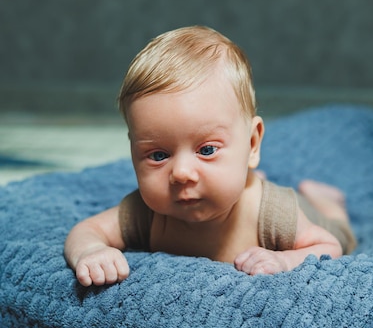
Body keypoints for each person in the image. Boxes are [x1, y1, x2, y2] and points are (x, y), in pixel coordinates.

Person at [64, 26, 356, 287]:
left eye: (206, 150)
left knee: (343, 234)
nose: (181, 173)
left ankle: (329, 203)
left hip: (314, 219)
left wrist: (284, 261)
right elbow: (87, 230)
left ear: (252, 144)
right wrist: (91, 251)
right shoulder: (146, 212)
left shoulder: (272, 214)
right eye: (158, 155)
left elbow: (329, 246)